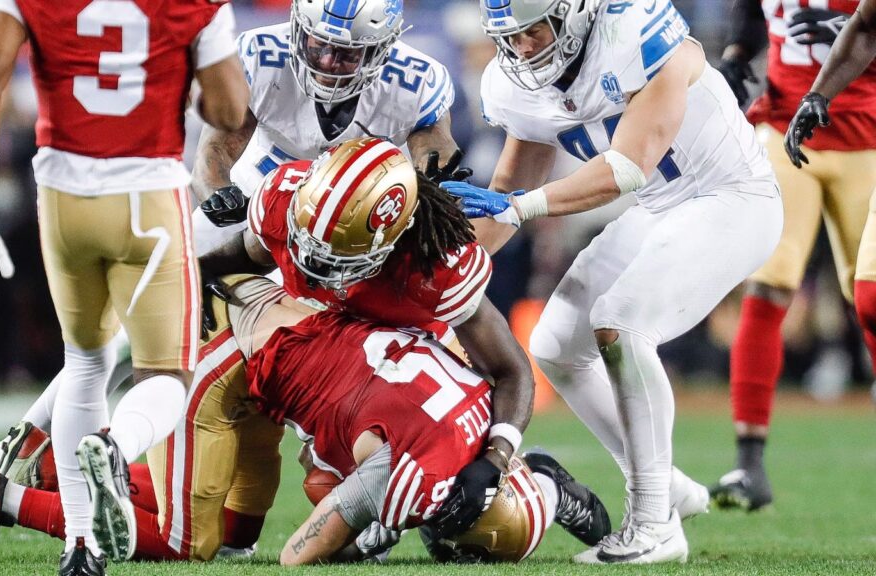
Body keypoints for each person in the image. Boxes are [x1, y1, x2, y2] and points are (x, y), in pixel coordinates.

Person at [0, 275, 611, 565]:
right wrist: (380, 523)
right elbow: (301, 551)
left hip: (271, 351)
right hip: (234, 374)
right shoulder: (410, 474)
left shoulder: (473, 399)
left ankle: (56, 464)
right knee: (191, 542)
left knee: (238, 533)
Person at [440, 0, 783, 564]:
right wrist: (449, 276)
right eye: (513, 37)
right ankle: (664, 484)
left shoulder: (636, 28)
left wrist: (518, 207)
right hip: (659, 208)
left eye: (534, 31)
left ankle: (653, 524)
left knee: (620, 324)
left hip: (731, 196)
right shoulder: (515, 79)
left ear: (572, 13)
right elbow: (512, 181)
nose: (524, 49)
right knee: (554, 345)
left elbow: (628, 167)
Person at [0, 0, 249, 573]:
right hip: (147, 197)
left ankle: (80, 547)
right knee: (167, 372)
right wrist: (181, 79)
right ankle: (117, 446)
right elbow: (228, 109)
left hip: (63, 199)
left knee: (86, 363)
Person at [199, 137, 535, 541]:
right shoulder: (286, 196)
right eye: (308, 240)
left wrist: (496, 458)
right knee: (325, 479)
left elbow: (511, 369)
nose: (313, 263)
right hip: (337, 335)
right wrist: (196, 272)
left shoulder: (435, 263)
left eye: (337, 254)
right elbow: (251, 253)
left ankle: (544, 482)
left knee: (473, 525)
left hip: (416, 355)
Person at [712, 0, 876, 512]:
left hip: (868, 133)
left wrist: (842, 29)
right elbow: (749, 11)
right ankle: (749, 462)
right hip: (786, 127)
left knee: (869, 298)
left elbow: (866, 28)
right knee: (768, 281)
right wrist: (738, 53)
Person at [191, 0, 467, 254]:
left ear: (380, 50)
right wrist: (219, 194)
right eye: (318, 44)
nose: (326, 62)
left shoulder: (414, 80)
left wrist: (437, 186)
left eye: (346, 52)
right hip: (257, 187)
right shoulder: (262, 54)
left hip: (358, 207)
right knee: (195, 252)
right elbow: (214, 154)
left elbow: (437, 154)